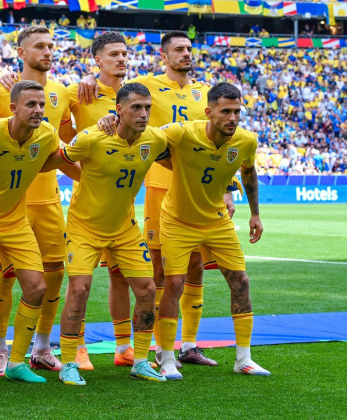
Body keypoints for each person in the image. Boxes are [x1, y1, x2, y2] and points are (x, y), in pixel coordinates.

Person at [92, 31, 233, 368]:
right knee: (159, 270)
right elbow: (111, 86)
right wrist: (88, 77)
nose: (186, 54)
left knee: (196, 266)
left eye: (189, 49)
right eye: (178, 50)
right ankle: (159, 346)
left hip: (201, 190)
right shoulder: (146, 85)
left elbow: (222, 141)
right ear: (163, 55)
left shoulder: (205, 93)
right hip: (160, 186)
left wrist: (230, 188)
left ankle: (189, 344)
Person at [43, 82, 168, 385]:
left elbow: (186, 152)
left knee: (148, 290)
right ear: (118, 110)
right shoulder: (91, 138)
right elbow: (53, 161)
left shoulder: (155, 139)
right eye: (136, 107)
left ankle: (139, 360)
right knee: (80, 289)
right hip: (84, 228)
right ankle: (70, 361)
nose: (143, 113)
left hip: (124, 229)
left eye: (147, 107)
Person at [0, 80, 73, 387]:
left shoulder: (47, 134)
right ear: (13, 108)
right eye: (31, 105)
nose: (38, 111)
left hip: (14, 221)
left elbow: (51, 161)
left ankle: (17, 363)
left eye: (41, 105)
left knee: (37, 288)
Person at [156, 83, 270, 379]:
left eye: (237, 111)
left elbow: (248, 171)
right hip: (177, 221)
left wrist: (255, 214)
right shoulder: (181, 132)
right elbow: (147, 137)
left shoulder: (246, 141)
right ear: (209, 112)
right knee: (174, 284)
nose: (233, 118)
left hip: (217, 221)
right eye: (226, 111)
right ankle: (167, 357)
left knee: (240, 281)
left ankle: (243, 358)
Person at [63, 32, 137, 369]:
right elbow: (61, 143)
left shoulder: (136, 95)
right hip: (87, 209)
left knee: (120, 276)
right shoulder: (79, 93)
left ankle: (124, 348)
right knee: (81, 281)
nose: (121, 59)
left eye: (125, 53)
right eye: (113, 55)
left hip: (123, 208)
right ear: (97, 60)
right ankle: (77, 347)